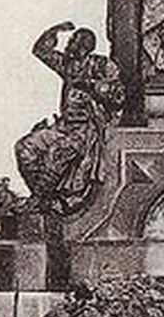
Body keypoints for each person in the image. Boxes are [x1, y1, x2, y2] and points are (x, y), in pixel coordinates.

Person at [14, 22, 126, 215]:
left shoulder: (101, 65)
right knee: (25, 147)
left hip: (87, 131)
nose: (67, 45)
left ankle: (39, 201)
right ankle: (46, 198)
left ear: (83, 46)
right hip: (64, 127)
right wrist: (54, 30)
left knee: (58, 152)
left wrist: (90, 85)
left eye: (72, 41)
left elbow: (118, 96)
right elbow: (41, 51)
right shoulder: (68, 64)